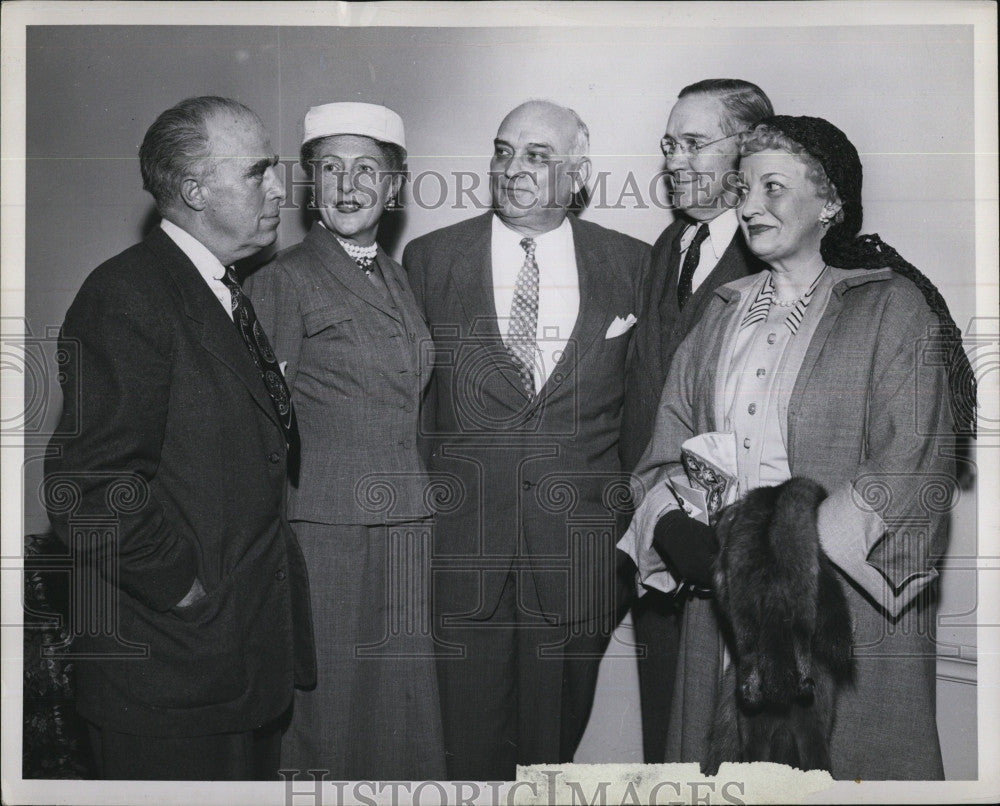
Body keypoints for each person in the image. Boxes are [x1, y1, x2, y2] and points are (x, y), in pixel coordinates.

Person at [625, 115, 976, 779]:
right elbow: (665, 450)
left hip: (847, 617)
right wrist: (671, 523)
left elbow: (913, 466)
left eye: (774, 188)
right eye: (743, 189)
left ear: (831, 205)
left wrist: (776, 552)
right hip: (721, 618)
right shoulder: (719, 315)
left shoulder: (892, 308)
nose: (750, 206)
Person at [43, 96, 316, 780]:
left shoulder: (219, 290)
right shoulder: (129, 295)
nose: (280, 189)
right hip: (169, 675)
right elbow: (89, 488)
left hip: (233, 668)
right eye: (259, 172)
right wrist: (185, 589)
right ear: (194, 191)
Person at [403, 99, 650, 779]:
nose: (513, 168)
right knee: (468, 755)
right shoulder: (429, 259)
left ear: (579, 175)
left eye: (537, 155)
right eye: (503, 150)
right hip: (462, 554)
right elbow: (413, 413)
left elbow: (644, 415)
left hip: (578, 556)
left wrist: (620, 530)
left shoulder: (631, 264)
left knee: (551, 759)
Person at [245, 102, 446, 779]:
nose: (348, 184)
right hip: (324, 529)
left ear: (393, 188)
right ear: (310, 185)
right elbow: (260, 433)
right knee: (326, 713)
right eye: (330, 168)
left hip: (405, 523)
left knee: (399, 710)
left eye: (367, 168)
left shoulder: (397, 275)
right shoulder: (281, 281)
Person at [619, 78, 773, 762]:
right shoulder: (668, 247)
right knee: (667, 743)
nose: (674, 160)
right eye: (667, 145)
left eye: (692, 143)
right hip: (657, 546)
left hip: (726, 559)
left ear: (748, 150)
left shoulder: (775, 259)